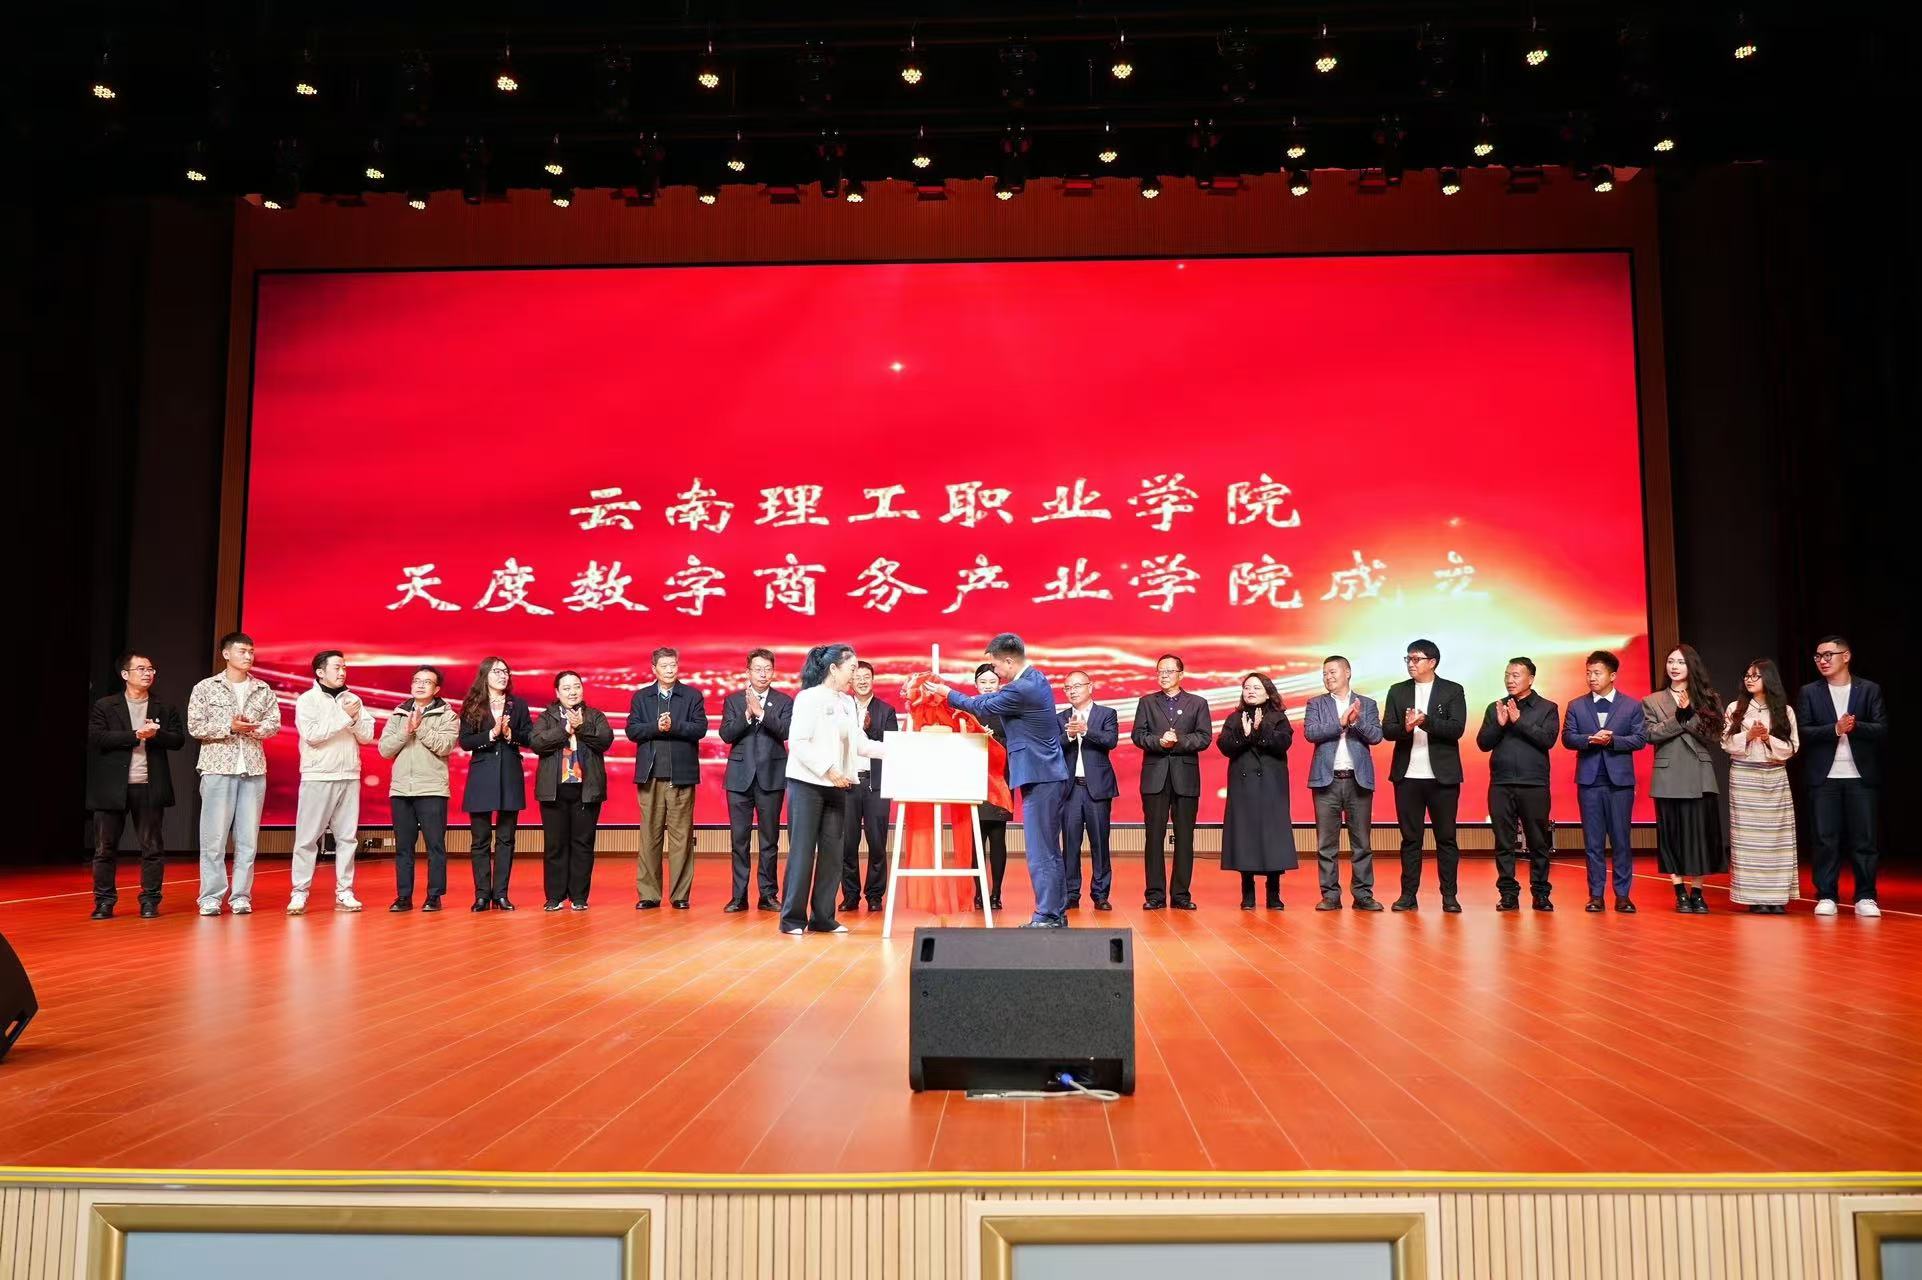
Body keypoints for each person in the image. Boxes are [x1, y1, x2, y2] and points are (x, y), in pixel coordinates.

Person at [927, 634, 1072, 928]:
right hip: (1044, 775)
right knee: (1048, 850)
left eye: (995, 665)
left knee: (1041, 852)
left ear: (1008, 660)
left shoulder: (1023, 688)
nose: (994, 671)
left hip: (1041, 776)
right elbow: (988, 700)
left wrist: (946, 692)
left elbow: (982, 707)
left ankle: (1047, 914)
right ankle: (1055, 912)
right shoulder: (1032, 680)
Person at [779, 644, 883, 935]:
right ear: (834, 669)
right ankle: (792, 919)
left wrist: (900, 749)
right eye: (852, 668)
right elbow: (798, 743)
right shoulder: (808, 698)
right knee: (802, 852)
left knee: (832, 854)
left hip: (837, 786)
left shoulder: (847, 702)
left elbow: (861, 744)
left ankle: (823, 917)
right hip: (807, 784)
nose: (855, 675)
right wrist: (828, 769)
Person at [186, 631, 282, 916]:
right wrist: (230, 727)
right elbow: (195, 726)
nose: (248, 656)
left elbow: (274, 724)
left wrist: (253, 728)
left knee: (248, 840)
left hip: (253, 769)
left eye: (251, 651)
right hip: (218, 768)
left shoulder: (262, 688)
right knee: (213, 839)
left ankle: (241, 896)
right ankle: (210, 897)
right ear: (226, 654)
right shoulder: (206, 687)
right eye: (242, 651)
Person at [85, 651, 185, 919]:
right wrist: (134, 735)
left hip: (149, 786)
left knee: (152, 847)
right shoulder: (106, 705)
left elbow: (178, 740)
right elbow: (97, 738)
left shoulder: (163, 707)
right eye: (141, 669)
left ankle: (150, 901)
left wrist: (156, 735)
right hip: (111, 788)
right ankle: (104, 902)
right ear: (125, 674)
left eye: (151, 669)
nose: (147, 673)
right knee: (104, 849)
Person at [1796, 636, 1887, 918]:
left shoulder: (1869, 689)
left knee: (1865, 839)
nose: (1822, 661)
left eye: (1828, 655)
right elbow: (1803, 731)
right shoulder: (1809, 692)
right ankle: (1826, 895)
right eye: (1818, 656)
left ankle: (1866, 896)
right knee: (1825, 839)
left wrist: (1855, 727)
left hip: (1861, 776)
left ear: (1846, 656)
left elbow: (1881, 728)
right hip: (1824, 777)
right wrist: (1835, 729)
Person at [1381, 638, 1468, 912]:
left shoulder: (1452, 690)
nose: (1411, 663)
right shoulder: (1398, 691)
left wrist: (1425, 722)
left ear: (1432, 662)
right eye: (1408, 658)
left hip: (1442, 777)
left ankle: (1449, 896)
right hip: (1407, 777)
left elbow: (1456, 729)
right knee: (1410, 839)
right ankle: (1408, 895)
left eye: (1416, 659)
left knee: (1446, 838)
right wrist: (1406, 728)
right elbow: (1387, 730)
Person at [289, 650, 377, 914]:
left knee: (347, 838)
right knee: (307, 838)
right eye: (336, 667)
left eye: (344, 667)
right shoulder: (307, 700)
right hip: (318, 775)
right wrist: (344, 717)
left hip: (349, 774)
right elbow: (312, 736)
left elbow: (367, 736)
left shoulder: (353, 699)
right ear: (320, 672)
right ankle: (299, 892)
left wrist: (354, 718)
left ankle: (345, 891)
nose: (342, 672)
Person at [1642, 644, 1724, 914]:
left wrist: (1689, 714)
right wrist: (1680, 716)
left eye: (1680, 662)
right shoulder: (1652, 700)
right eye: (1670, 661)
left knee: (1701, 835)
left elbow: (1714, 735)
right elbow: (1650, 734)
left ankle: (1697, 892)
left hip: (1699, 774)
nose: (1674, 667)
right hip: (1668, 775)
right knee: (1672, 836)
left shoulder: (1708, 698)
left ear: (1691, 666)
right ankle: (1679, 892)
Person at [1562, 650, 1647, 912]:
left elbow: (1640, 739)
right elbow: (1567, 738)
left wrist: (1613, 741)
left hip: (1620, 783)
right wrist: (1590, 739)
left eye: (1597, 673)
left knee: (1621, 840)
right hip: (1589, 782)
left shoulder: (1631, 706)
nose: (1591, 678)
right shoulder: (1576, 705)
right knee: (1593, 842)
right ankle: (1596, 895)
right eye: (1588, 673)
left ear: (1612, 675)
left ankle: (1623, 896)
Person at [626, 647, 709, 910]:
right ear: (654, 669)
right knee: (649, 837)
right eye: (664, 666)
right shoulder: (642, 697)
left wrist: (675, 726)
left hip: (681, 775)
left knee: (681, 837)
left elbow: (700, 728)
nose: (670, 670)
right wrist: (656, 727)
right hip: (650, 776)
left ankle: (680, 894)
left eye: (673, 665)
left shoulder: (692, 696)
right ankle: (649, 894)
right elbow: (632, 730)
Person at [1476, 657, 1560, 911]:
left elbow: (1547, 740)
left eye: (1516, 675)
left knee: (1538, 842)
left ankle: (1541, 894)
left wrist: (1519, 721)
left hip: (1534, 784)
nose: (1510, 680)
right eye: (1507, 675)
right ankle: (1508, 894)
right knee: (1504, 842)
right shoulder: (1496, 707)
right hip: (1501, 784)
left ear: (1530, 679)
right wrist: (1500, 724)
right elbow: (1483, 743)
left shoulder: (1547, 708)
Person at [1132, 653, 1213, 910]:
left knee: (1185, 837)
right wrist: (1158, 742)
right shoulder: (1146, 702)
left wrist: (1178, 741)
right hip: (1154, 777)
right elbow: (1138, 735)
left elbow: (1204, 737)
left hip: (1185, 778)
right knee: (1154, 837)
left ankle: (1181, 895)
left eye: (1169, 671)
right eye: (1160, 671)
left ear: (1181, 674)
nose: (1164, 675)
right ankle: (1154, 895)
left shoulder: (1198, 703)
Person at [1302, 655, 1383, 911]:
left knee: (1362, 843)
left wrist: (1356, 721)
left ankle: (1363, 895)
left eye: (1333, 672)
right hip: (1327, 781)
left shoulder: (1367, 704)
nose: (1328, 677)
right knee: (1326, 844)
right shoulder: (1316, 703)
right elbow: (1311, 733)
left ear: (1347, 672)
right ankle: (1330, 895)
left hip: (1358, 781)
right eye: (1324, 673)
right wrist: (1340, 723)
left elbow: (1376, 736)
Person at [530, 671, 616, 912]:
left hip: (586, 790)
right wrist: (565, 730)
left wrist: (582, 726)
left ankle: (579, 896)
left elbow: (605, 740)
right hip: (554, 790)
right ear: (557, 693)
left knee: (583, 844)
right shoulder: (546, 716)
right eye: (566, 688)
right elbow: (536, 743)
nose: (572, 692)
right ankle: (555, 896)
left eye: (576, 686)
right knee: (555, 845)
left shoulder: (595, 716)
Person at [1722, 659, 1801, 914]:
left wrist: (1767, 738)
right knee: (1748, 840)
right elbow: (1725, 743)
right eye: (1747, 675)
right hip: (1744, 778)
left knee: (1777, 838)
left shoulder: (1784, 711)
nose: (1749, 679)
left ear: (1769, 678)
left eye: (1755, 676)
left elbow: (1792, 747)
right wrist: (1748, 735)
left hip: (1774, 776)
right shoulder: (1735, 708)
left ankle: (1777, 897)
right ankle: (1755, 898)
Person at [378, 665, 458, 912]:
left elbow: (445, 746)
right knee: (403, 847)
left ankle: (434, 896)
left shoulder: (448, 715)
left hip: (432, 789)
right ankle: (403, 896)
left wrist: (420, 728)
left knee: (435, 846)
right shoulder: (399, 714)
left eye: (427, 682)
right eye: (416, 680)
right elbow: (384, 749)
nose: (420, 685)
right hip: (401, 790)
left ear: (437, 689)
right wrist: (406, 731)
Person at [719, 649, 791, 913]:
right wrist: (748, 714)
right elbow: (726, 734)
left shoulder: (784, 701)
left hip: (771, 777)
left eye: (767, 669)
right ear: (747, 671)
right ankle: (739, 896)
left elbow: (786, 731)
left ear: (773, 672)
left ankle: (768, 895)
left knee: (769, 840)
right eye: (758, 669)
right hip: (739, 779)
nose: (763, 674)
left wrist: (762, 713)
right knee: (739, 840)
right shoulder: (733, 700)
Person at [459, 656, 533, 911]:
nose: (502, 675)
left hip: (510, 774)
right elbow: (465, 741)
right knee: (480, 839)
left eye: (505, 671)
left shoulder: (518, 705)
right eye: (497, 671)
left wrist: (511, 735)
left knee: (506, 838)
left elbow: (530, 737)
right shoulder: (473, 704)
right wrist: (492, 734)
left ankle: (501, 894)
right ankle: (482, 894)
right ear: (485, 675)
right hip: (482, 775)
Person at [1217, 672, 1297, 910]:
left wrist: (1261, 730)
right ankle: (1248, 892)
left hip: (1271, 786)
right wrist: (1244, 735)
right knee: (1245, 837)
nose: (1250, 691)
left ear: (1268, 693)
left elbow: (1283, 743)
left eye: (1256, 687)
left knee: (1273, 838)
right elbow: (1224, 746)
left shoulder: (1279, 717)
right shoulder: (1234, 718)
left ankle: (1274, 892)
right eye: (1247, 687)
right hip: (1243, 787)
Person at [1058, 670, 1119, 911]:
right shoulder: (1061, 717)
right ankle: (1071, 894)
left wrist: (1085, 730)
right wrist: (1069, 735)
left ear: (1090, 687)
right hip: (1070, 789)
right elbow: (1053, 746)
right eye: (1067, 687)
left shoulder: (1106, 714)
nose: (1072, 691)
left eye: (1077, 686)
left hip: (1098, 789)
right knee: (1070, 844)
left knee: (1100, 844)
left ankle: (1101, 894)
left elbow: (1110, 741)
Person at [843, 661, 899, 912]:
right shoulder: (841, 707)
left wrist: (869, 728)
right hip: (847, 782)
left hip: (875, 784)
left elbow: (892, 746)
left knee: (877, 843)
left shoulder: (886, 711)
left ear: (873, 679)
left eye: (867, 676)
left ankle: (875, 895)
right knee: (847, 843)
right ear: (850, 681)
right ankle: (850, 895)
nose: (862, 681)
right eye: (858, 677)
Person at [965, 663, 1013, 912]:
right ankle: (979, 892)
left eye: (992, 682)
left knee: (997, 838)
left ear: (999, 684)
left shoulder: (1007, 709)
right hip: (974, 781)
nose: (987, 686)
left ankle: (996, 893)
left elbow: (1015, 742)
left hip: (999, 782)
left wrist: (993, 738)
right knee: (976, 840)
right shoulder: (967, 711)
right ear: (976, 685)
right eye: (982, 682)